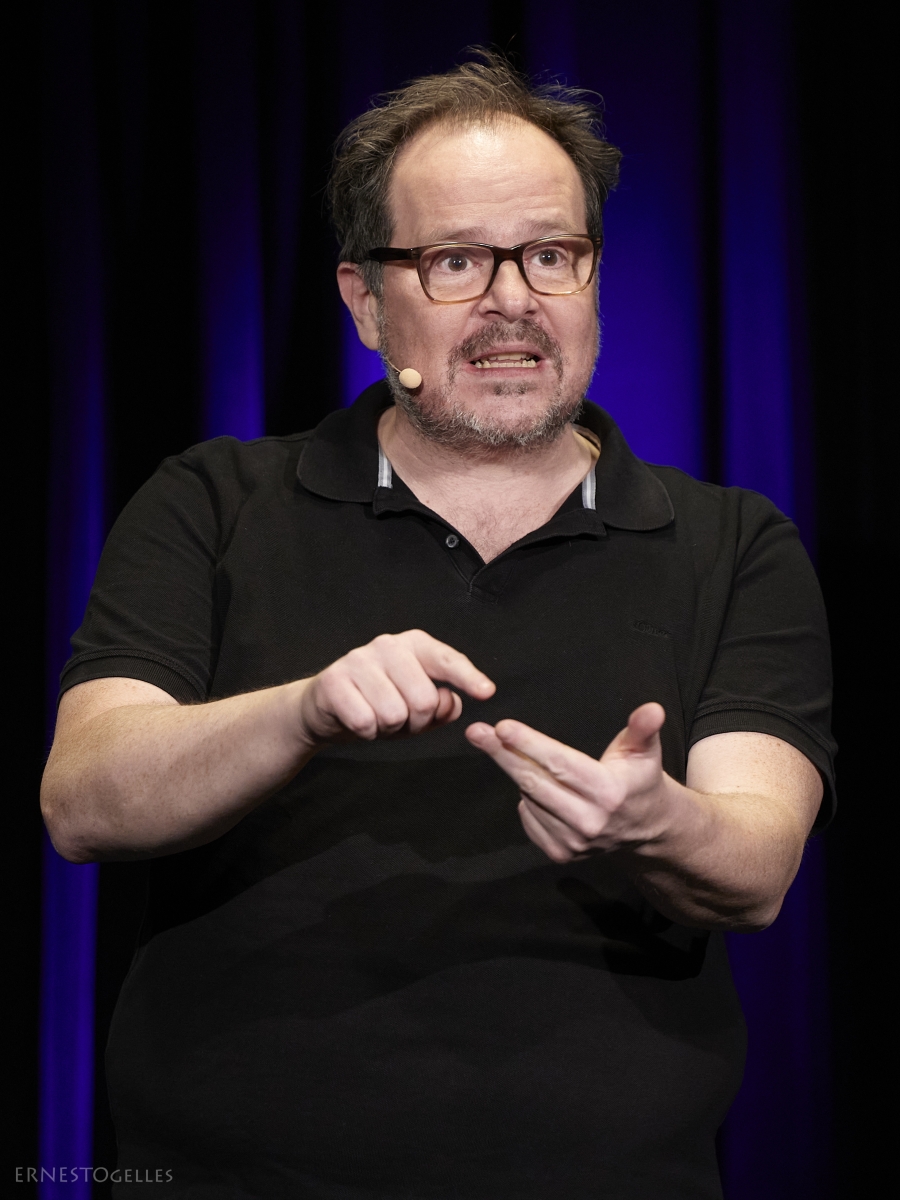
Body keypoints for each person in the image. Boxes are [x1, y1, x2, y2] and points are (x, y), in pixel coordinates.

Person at [41, 53, 834, 1200]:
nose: (514, 299)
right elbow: (82, 801)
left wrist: (654, 820)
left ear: (593, 282)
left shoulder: (735, 542)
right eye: (457, 260)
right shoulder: (211, 502)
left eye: (550, 254)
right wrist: (300, 712)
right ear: (366, 301)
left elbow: (757, 868)